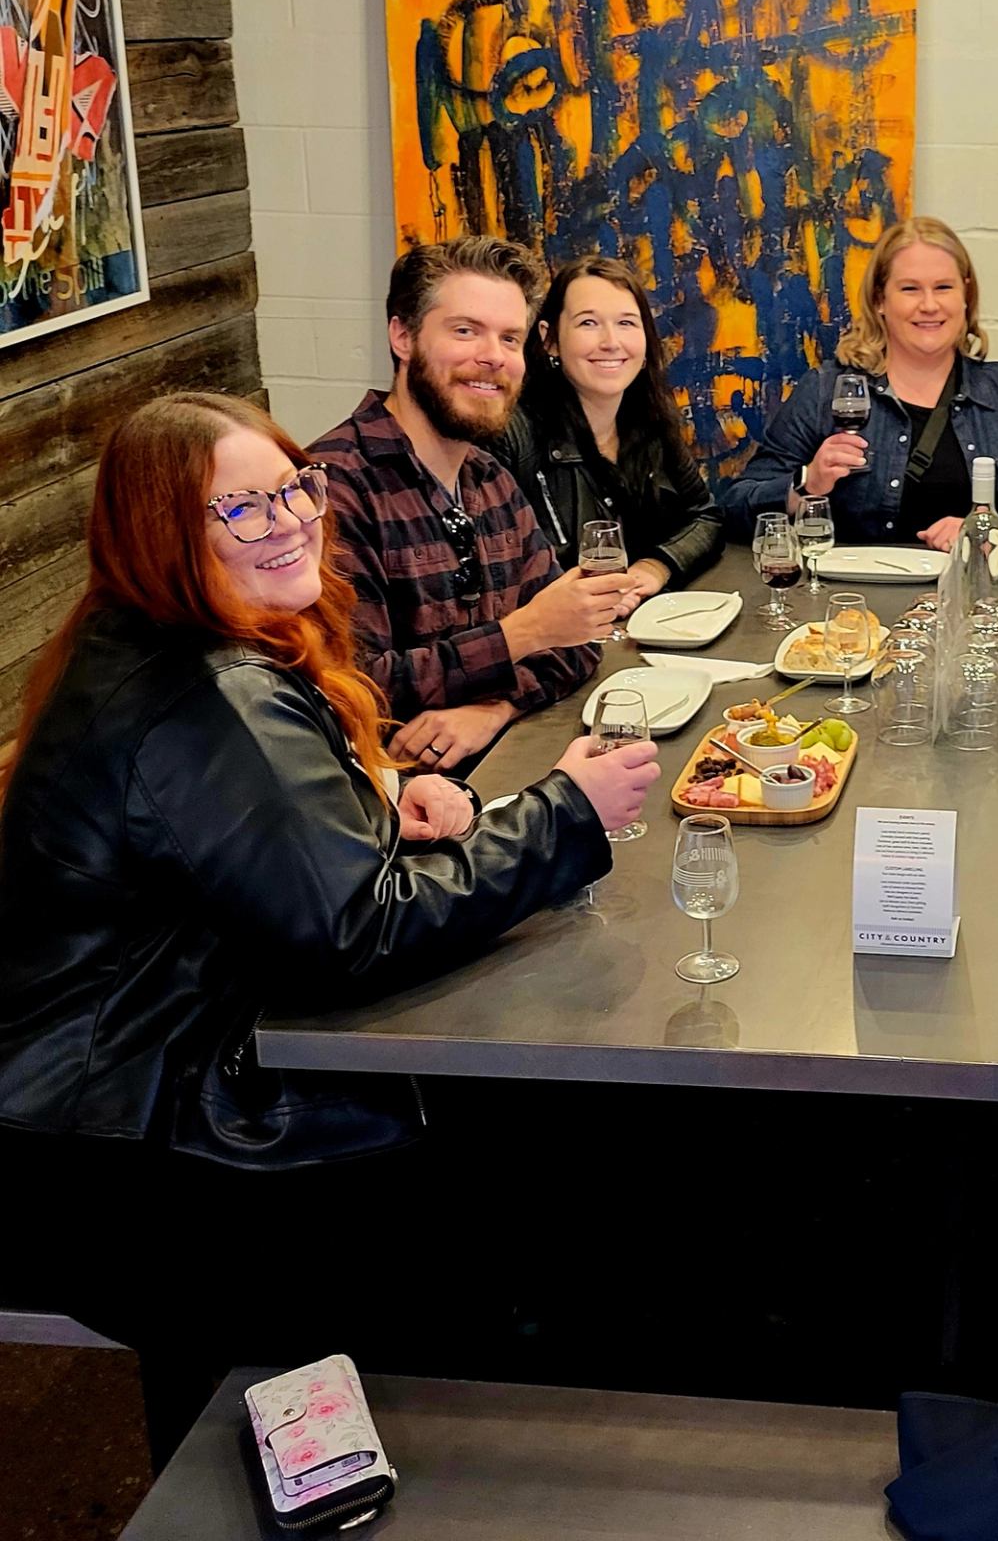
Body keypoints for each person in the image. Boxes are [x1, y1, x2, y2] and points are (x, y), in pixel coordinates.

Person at [0, 393, 660, 1460]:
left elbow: (243, 854)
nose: (295, 521)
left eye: (294, 487)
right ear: (166, 535)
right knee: (532, 1167)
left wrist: (376, 810)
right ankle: (378, 1462)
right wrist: (563, 813)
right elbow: (356, 932)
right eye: (246, 511)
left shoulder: (151, 639)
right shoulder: (208, 692)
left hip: (101, 1105)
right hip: (133, 1161)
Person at [311, 236, 630, 770]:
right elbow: (346, 685)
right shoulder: (333, 486)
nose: (492, 357)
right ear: (402, 336)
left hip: (501, 770)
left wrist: (496, 707)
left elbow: (577, 640)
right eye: (465, 331)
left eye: (510, 338)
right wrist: (522, 634)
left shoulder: (489, 477)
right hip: (390, 808)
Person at [722, 216, 998, 550]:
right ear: (880, 300)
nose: (929, 305)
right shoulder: (826, 390)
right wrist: (807, 484)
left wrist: (986, 531)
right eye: (910, 289)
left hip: (974, 594)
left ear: (966, 294)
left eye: (943, 288)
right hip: (855, 599)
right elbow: (735, 509)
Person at [499, 258, 722, 596]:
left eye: (626, 323)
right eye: (588, 323)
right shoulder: (512, 435)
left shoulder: (652, 420)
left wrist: (656, 566)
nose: (611, 341)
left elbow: (706, 517)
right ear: (550, 339)